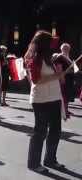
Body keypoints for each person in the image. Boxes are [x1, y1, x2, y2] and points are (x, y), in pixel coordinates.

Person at [25, 31, 68, 174]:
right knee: (40, 132)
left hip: (54, 98)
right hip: (41, 99)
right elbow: (36, 80)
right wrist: (56, 76)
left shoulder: (49, 59)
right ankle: (33, 163)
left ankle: (50, 159)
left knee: (56, 131)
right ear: (44, 44)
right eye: (50, 42)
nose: (53, 44)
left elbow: (53, 76)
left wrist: (59, 76)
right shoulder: (35, 59)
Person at [53, 43, 75, 118]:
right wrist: (62, 78)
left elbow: (73, 68)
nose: (66, 50)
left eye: (67, 48)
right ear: (61, 49)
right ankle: (64, 111)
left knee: (68, 95)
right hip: (64, 78)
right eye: (65, 48)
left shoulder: (68, 57)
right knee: (63, 95)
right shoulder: (59, 57)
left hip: (70, 78)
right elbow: (59, 68)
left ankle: (66, 109)